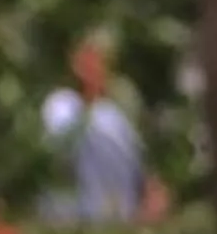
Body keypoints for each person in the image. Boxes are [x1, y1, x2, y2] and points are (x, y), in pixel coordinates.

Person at [36, 34, 165, 223]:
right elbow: (63, 145)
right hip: (71, 222)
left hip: (118, 224)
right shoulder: (60, 104)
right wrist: (90, 96)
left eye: (100, 61)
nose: (94, 67)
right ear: (74, 64)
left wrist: (154, 194)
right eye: (87, 60)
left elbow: (139, 167)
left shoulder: (115, 117)